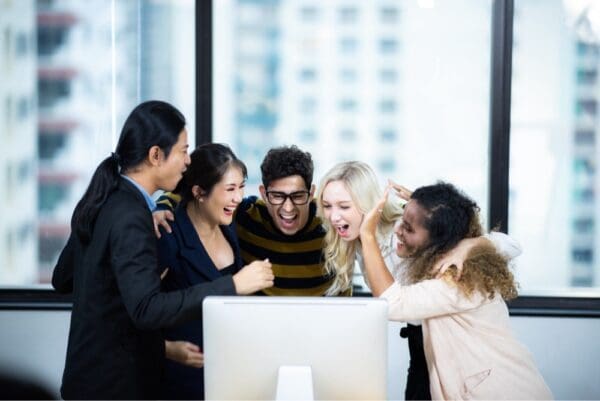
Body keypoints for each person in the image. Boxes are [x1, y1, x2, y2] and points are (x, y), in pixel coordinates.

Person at [51, 101, 274, 400]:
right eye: (183, 151)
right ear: (156, 155)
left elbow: (63, 278)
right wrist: (234, 285)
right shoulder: (133, 217)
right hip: (114, 386)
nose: (186, 162)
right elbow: (146, 309)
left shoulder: (108, 198)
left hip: (88, 380)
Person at [315, 161, 523, 400]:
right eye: (327, 206)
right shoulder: (360, 238)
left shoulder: (405, 236)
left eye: (343, 206)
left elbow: (511, 245)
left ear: (367, 204)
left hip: (459, 350)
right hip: (423, 341)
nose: (333, 216)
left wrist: (468, 245)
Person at [359, 181, 553, 400]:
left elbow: (393, 303)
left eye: (409, 228)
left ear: (439, 241)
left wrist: (368, 235)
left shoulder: (458, 278)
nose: (398, 230)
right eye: (402, 220)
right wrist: (429, 211)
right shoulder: (438, 258)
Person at [155, 145, 341, 296]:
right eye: (277, 196)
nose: (288, 208)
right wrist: (161, 207)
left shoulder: (330, 219)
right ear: (263, 194)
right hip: (256, 333)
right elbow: (195, 196)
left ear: (311, 193)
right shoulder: (246, 215)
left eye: (298, 196)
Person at [158, 143, 261, 399]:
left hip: (225, 374)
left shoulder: (228, 225)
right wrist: (165, 349)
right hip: (178, 380)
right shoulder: (168, 235)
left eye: (241, 187)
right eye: (229, 189)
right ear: (199, 193)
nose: (238, 197)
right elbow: (142, 308)